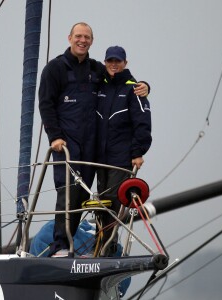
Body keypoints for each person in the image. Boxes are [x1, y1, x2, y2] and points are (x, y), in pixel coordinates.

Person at [38, 22, 149, 257]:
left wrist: (145, 86)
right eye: (78, 36)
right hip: (66, 145)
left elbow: (119, 77)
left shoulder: (97, 69)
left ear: (92, 41)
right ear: (69, 38)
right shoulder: (54, 69)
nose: (82, 40)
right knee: (68, 193)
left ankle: (98, 249)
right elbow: (46, 104)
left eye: (87, 37)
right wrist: (54, 136)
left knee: (88, 196)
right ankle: (60, 246)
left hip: (91, 148)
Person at [96, 46, 152, 256]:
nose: (114, 64)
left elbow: (143, 124)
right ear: (105, 62)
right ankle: (99, 247)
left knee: (112, 202)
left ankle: (107, 251)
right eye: (110, 60)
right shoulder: (99, 86)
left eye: (117, 61)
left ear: (125, 63)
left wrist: (138, 152)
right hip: (99, 159)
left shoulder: (134, 89)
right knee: (100, 204)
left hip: (121, 159)